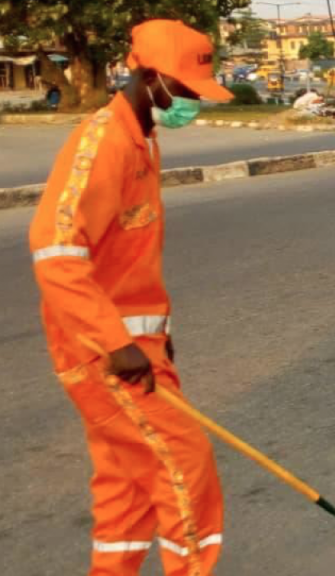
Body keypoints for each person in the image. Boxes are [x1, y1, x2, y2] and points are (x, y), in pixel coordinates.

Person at [28, 20, 232, 575]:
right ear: (149, 78)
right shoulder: (104, 142)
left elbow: (127, 262)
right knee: (185, 468)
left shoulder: (143, 137)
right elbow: (55, 249)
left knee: (129, 490)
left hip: (137, 349)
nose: (192, 103)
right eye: (186, 91)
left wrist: (157, 337)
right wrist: (117, 345)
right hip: (103, 354)